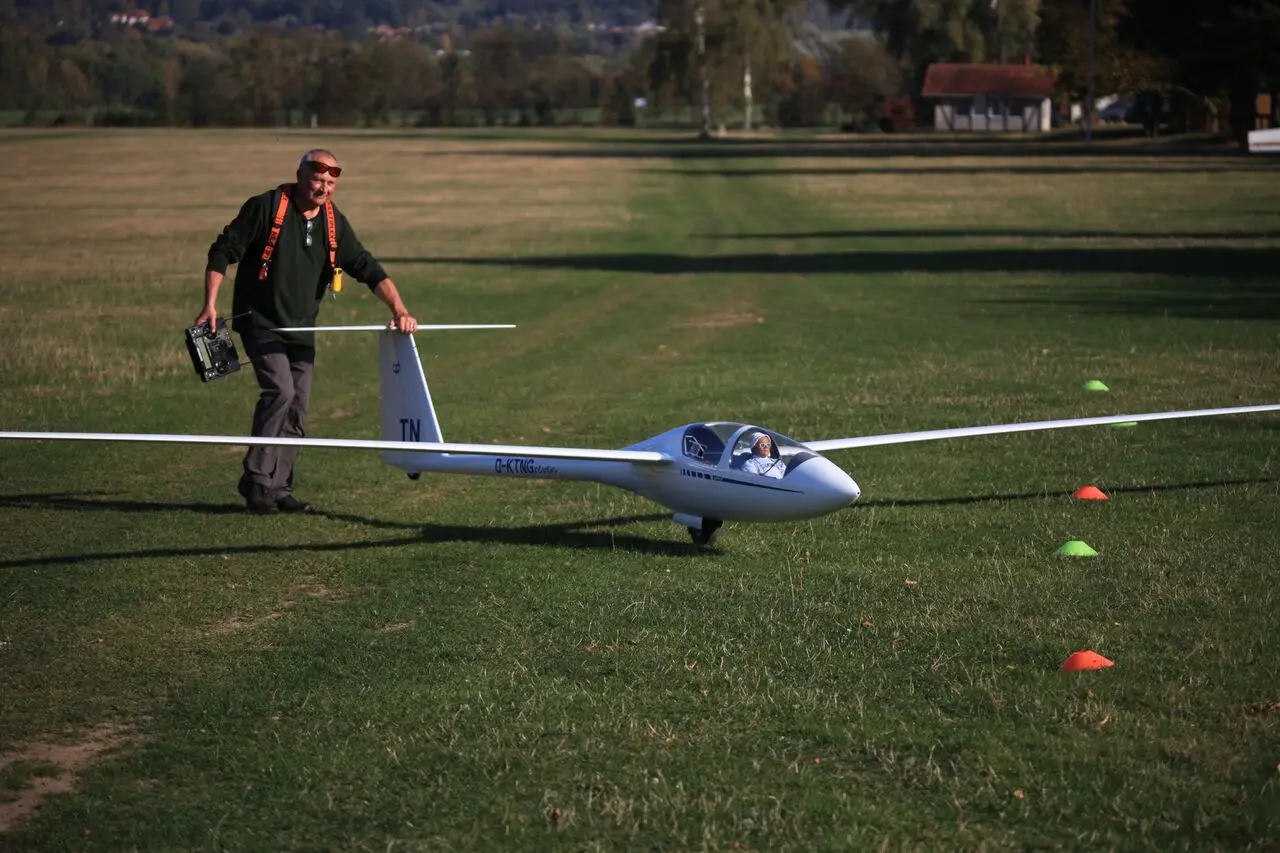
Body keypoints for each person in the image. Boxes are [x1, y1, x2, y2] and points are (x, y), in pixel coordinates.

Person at [196, 149, 419, 514]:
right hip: (261, 323)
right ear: (300, 175)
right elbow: (223, 251)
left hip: (302, 330)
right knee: (280, 392)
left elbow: (366, 266)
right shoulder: (267, 207)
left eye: (331, 183)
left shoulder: (334, 222)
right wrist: (210, 304)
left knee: (298, 408)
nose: (324, 188)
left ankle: (279, 489)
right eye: (318, 180)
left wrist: (400, 309)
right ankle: (256, 480)